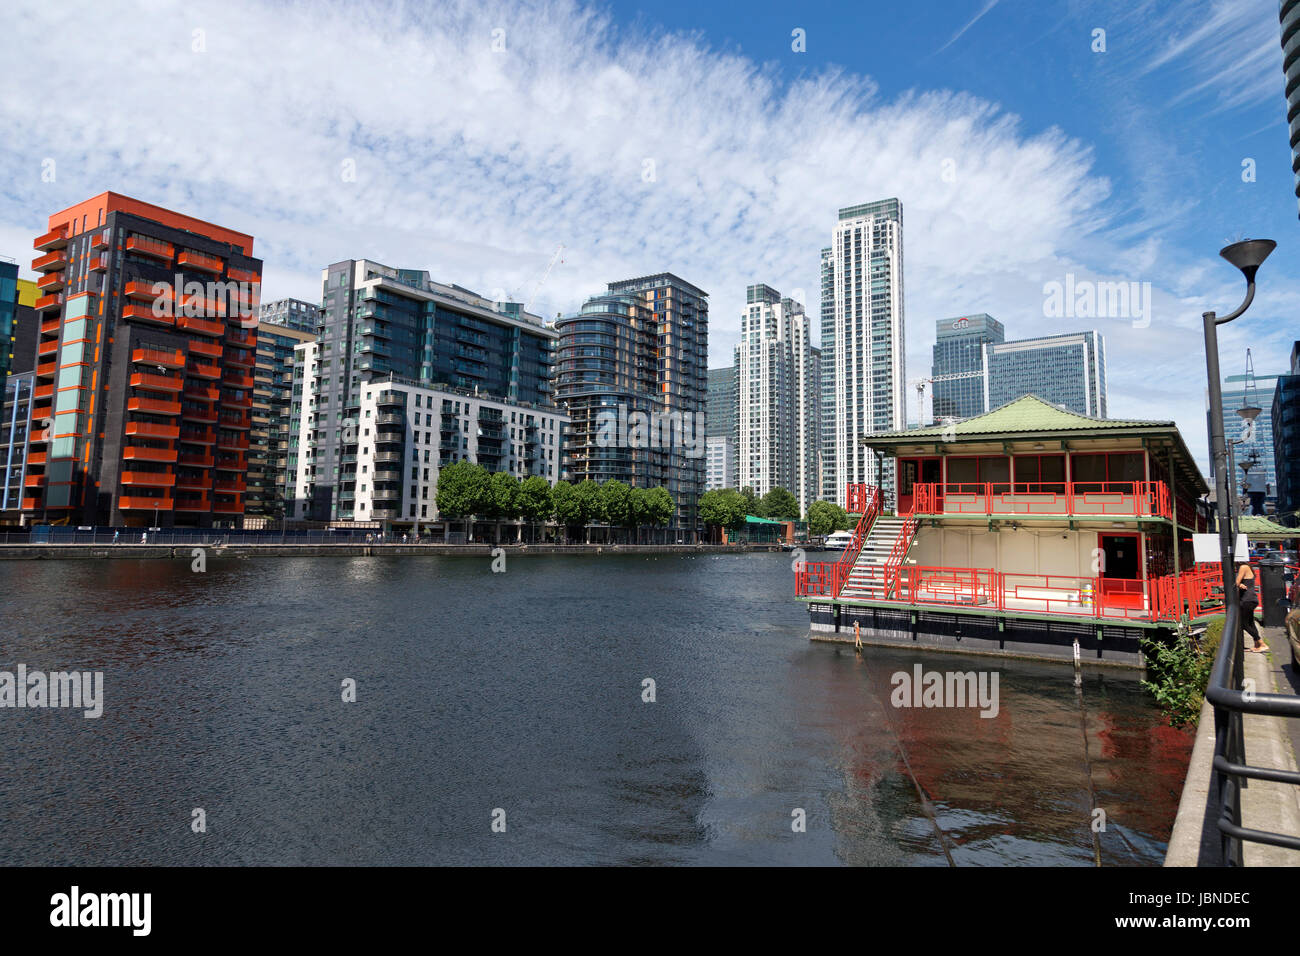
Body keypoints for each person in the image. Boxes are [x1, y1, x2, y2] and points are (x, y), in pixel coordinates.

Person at [1237, 562, 1265, 653]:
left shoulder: (1243, 567)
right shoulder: (1247, 567)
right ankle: (1257, 645)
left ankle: (1261, 643)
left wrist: (1239, 584)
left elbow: (1236, 582)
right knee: (1251, 623)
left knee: (1243, 624)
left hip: (1247, 600)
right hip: (1251, 599)